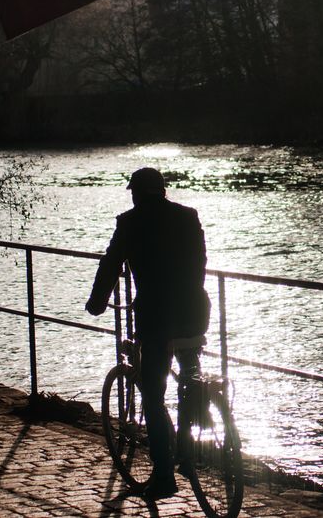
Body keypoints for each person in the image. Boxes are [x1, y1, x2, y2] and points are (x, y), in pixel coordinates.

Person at [86, 167, 210, 500]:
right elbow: (200, 262)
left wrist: (97, 302)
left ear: (136, 193)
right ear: (163, 190)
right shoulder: (188, 216)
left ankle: (164, 474)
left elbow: (111, 264)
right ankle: (191, 438)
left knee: (153, 396)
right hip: (195, 313)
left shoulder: (129, 223)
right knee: (190, 374)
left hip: (156, 319)